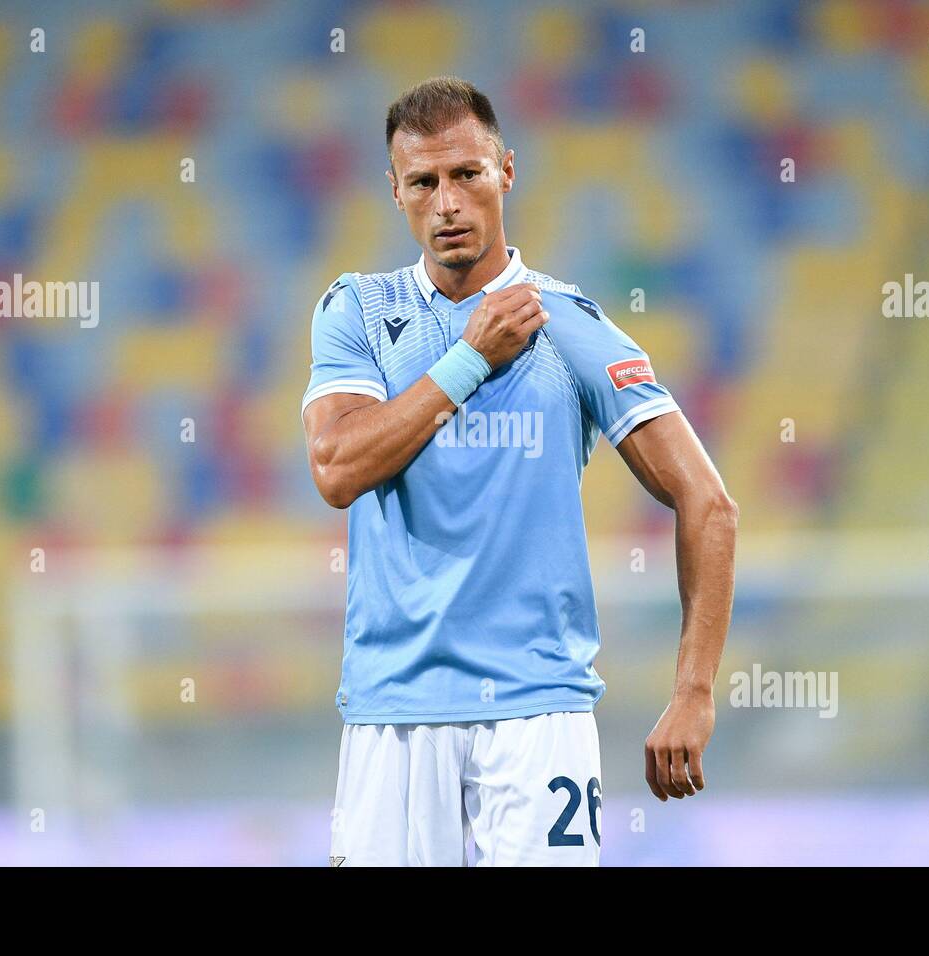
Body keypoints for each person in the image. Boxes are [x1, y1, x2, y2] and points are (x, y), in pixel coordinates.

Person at [301, 76, 738, 866]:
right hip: (395, 712)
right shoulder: (357, 311)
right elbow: (336, 469)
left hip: (538, 716)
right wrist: (471, 359)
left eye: (466, 174)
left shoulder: (568, 323)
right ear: (394, 191)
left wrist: (694, 691)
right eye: (423, 182)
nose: (447, 203)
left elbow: (708, 502)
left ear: (506, 170)